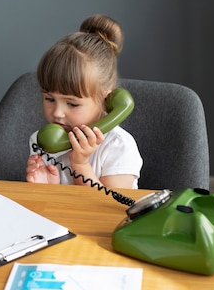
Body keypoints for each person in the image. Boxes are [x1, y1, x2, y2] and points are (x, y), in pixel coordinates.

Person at [26, 14, 142, 189]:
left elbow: (109, 210)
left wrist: (80, 165)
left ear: (106, 97)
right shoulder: (43, 140)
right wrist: (46, 188)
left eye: (72, 104)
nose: (57, 113)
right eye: (49, 99)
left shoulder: (118, 147)